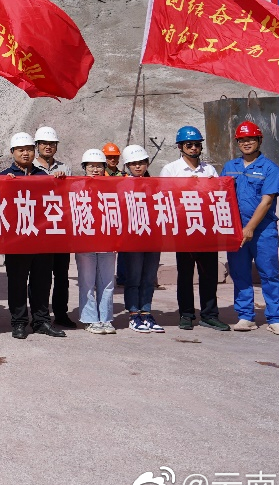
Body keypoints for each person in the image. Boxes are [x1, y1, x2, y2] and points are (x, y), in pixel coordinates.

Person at [222, 121, 279, 336]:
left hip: (262, 231)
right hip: (235, 231)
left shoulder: (270, 168)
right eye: (242, 140)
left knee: (269, 274)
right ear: (237, 143)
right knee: (240, 273)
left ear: (259, 140)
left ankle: (275, 318)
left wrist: (249, 228)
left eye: (250, 139)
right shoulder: (229, 167)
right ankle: (245, 316)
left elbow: (266, 201)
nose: (246, 143)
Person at [161, 126, 230, 332]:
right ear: (180, 147)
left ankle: (210, 314)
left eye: (197, 144)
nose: (193, 148)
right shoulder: (171, 170)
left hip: (207, 228)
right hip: (184, 228)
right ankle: (186, 314)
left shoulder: (209, 170)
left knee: (209, 273)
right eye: (189, 145)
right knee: (185, 274)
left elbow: (219, 196)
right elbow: (165, 199)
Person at [0, 132, 64, 340]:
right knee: (17, 283)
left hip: (41, 240)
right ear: (12, 153)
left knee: (42, 282)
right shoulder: (3, 177)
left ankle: (42, 321)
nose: (25, 153)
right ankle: (19, 322)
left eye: (29, 150)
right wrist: (3, 186)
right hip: (16, 241)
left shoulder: (43, 177)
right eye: (21, 150)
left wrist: (60, 182)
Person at [33, 126, 76, 329]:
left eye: (51, 144)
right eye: (44, 144)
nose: (48, 147)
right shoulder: (29, 168)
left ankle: (61, 312)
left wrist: (63, 182)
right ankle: (39, 314)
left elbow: (72, 195)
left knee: (61, 275)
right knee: (39, 276)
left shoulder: (65, 168)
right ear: (37, 146)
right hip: (38, 230)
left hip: (60, 230)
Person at [120, 144, 163, 334]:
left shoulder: (156, 184)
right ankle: (133, 314)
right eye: (133, 164)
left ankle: (146, 312)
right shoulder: (120, 185)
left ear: (147, 163)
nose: (138, 167)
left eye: (141, 163)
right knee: (134, 277)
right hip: (132, 239)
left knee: (148, 277)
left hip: (153, 237)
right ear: (127, 166)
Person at [75, 149, 116, 334]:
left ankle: (106, 319)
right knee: (87, 282)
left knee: (107, 282)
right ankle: (90, 319)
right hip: (85, 242)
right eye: (91, 166)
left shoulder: (113, 186)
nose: (95, 169)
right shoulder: (76, 186)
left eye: (99, 166)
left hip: (107, 241)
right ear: (84, 168)